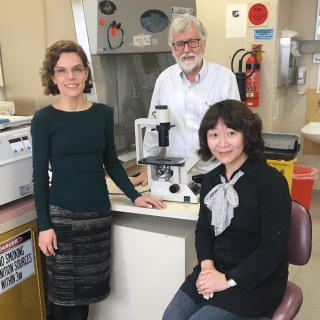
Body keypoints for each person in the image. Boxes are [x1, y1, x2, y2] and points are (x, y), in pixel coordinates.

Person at [32, 40, 166, 320]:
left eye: (76, 69)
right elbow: (38, 176)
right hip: (61, 220)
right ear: (53, 77)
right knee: (62, 298)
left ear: (86, 74)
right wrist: (44, 226)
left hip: (96, 219)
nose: (70, 77)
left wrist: (135, 195)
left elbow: (111, 162)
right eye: (62, 71)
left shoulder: (102, 113)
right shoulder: (44, 119)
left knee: (86, 299)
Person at [162, 100, 291, 320]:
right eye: (214, 135)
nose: (222, 143)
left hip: (256, 282)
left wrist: (225, 280)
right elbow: (203, 231)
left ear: (247, 135)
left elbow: (272, 248)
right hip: (216, 269)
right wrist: (207, 269)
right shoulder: (212, 180)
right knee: (170, 317)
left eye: (231, 133)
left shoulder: (271, 182)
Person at [132, 14, 240, 187]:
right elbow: (153, 128)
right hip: (176, 176)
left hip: (215, 175)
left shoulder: (224, 78)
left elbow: (236, 130)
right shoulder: (164, 80)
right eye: (180, 44)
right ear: (172, 49)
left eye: (192, 42)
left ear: (203, 44)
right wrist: (146, 170)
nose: (186, 50)